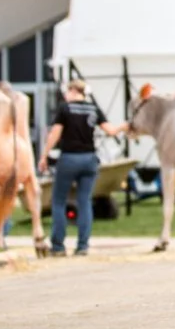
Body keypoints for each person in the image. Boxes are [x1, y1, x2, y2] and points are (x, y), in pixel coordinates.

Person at [39, 80, 126, 256]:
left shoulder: (65, 109)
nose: (65, 95)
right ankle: (82, 245)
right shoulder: (93, 108)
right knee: (85, 201)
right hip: (89, 159)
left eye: (67, 91)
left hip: (69, 158)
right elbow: (110, 131)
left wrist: (44, 155)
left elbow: (55, 133)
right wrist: (123, 126)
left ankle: (58, 246)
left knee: (59, 201)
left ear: (73, 90)